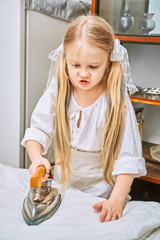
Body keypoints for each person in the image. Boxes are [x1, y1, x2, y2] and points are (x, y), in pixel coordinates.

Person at [21, 15, 146, 222]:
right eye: (75, 65)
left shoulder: (116, 99)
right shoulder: (59, 90)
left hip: (104, 193)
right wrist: (37, 159)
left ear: (108, 62)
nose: (83, 74)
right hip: (64, 187)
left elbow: (128, 158)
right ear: (65, 60)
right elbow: (38, 131)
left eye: (93, 67)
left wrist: (116, 200)